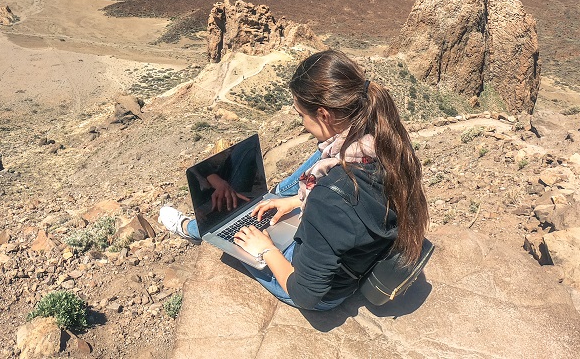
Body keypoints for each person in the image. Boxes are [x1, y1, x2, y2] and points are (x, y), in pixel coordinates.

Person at [159, 49, 429, 311]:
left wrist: (265, 249)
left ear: (324, 114)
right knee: (312, 160)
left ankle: (193, 228)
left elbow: (306, 294)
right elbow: (349, 213)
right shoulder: (385, 140)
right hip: (355, 251)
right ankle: (262, 203)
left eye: (302, 115)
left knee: (231, 235)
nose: (302, 124)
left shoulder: (329, 197)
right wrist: (296, 202)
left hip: (327, 291)